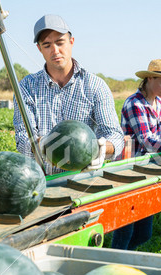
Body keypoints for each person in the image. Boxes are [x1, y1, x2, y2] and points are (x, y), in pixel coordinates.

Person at [13, 14, 124, 174]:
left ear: (71, 42)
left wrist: (101, 148)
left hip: (83, 179)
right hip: (42, 181)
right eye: (47, 45)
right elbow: (23, 136)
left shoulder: (95, 86)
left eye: (60, 42)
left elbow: (114, 135)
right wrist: (40, 144)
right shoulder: (27, 87)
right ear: (39, 49)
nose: (55, 51)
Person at [112, 59, 161, 250]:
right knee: (126, 227)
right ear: (149, 79)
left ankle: (127, 257)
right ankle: (115, 259)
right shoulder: (134, 104)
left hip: (152, 168)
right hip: (131, 170)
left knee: (144, 233)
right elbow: (148, 140)